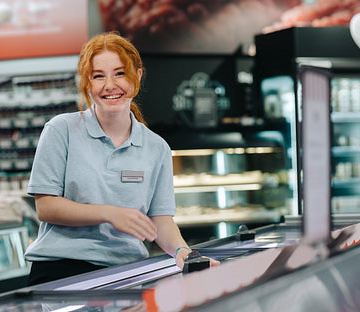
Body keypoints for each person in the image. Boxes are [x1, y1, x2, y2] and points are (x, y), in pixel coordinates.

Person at [24, 31, 219, 286]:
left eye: (119, 73)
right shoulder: (61, 130)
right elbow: (46, 207)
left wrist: (184, 253)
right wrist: (109, 213)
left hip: (126, 273)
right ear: (87, 82)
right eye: (98, 76)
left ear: (137, 76)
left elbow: (160, 219)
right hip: (61, 272)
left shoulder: (156, 147)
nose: (110, 85)